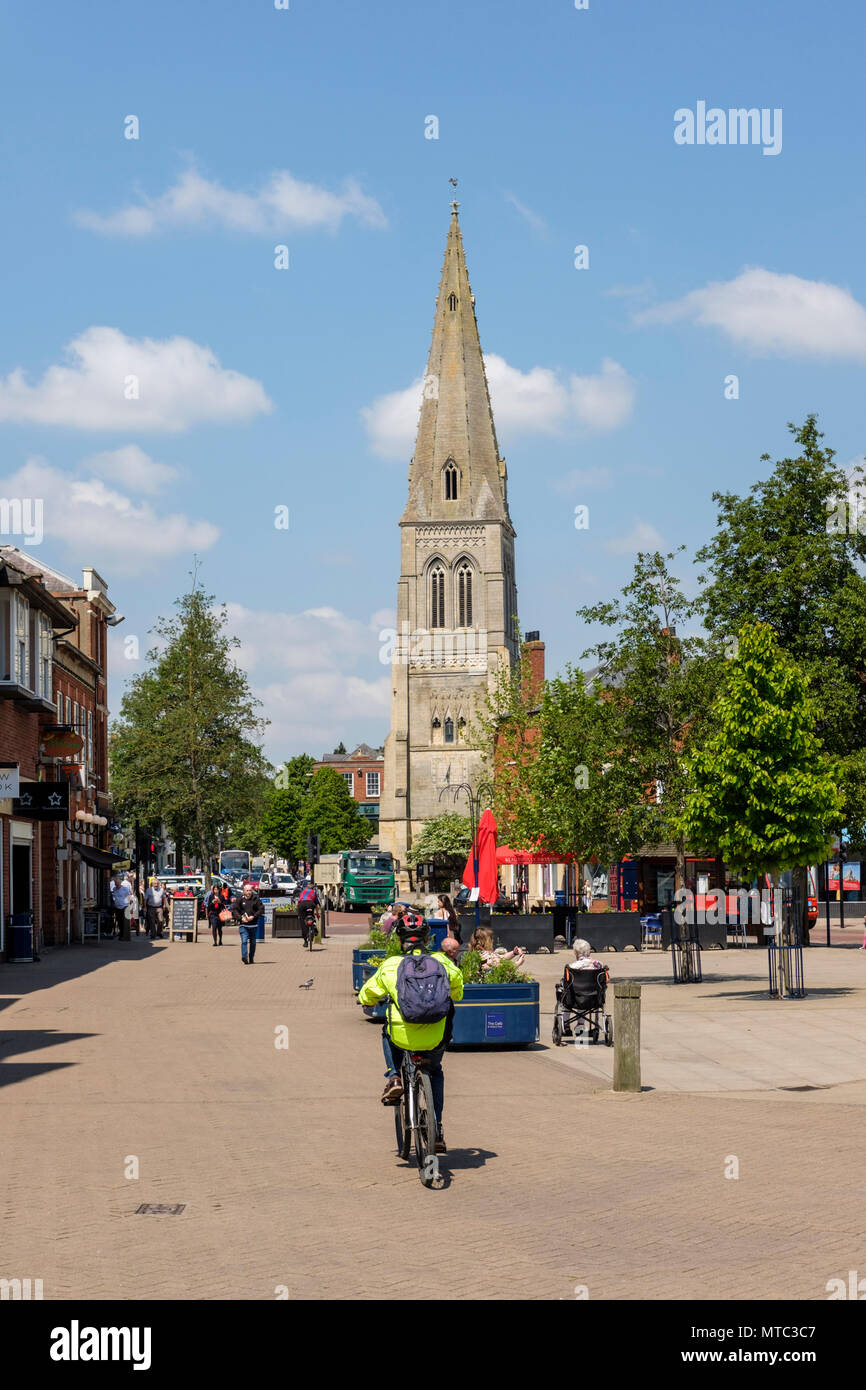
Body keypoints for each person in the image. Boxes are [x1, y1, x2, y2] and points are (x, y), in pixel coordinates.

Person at [358, 916, 463, 1152]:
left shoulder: (391, 965)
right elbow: (457, 993)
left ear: (399, 941)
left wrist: (365, 1000)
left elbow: (367, 995)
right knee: (435, 1071)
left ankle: (394, 1076)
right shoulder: (442, 962)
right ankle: (437, 1128)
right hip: (435, 1035)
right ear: (427, 939)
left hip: (403, 1036)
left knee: (387, 1032)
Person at [232, 880, 263, 963]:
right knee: (244, 941)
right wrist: (240, 918)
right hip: (243, 925)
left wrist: (254, 916)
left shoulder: (256, 899)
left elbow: (261, 909)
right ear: (244, 891)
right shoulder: (240, 900)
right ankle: (244, 957)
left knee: (253, 943)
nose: (249, 892)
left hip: (253, 925)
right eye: (247, 891)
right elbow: (235, 910)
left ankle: (251, 957)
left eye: (250, 890)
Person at [109, 874, 132, 938]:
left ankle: (124, 935)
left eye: (117, 883)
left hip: (124, 906)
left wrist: (130, 905)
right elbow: (113, 896)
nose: (116, 885)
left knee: (124, 921)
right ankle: (121, 934)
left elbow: (129, 896)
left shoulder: (125, 889)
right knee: (119, 921)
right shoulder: (114, 889)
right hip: (117, 907)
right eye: (115, 883)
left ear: (120, 883)